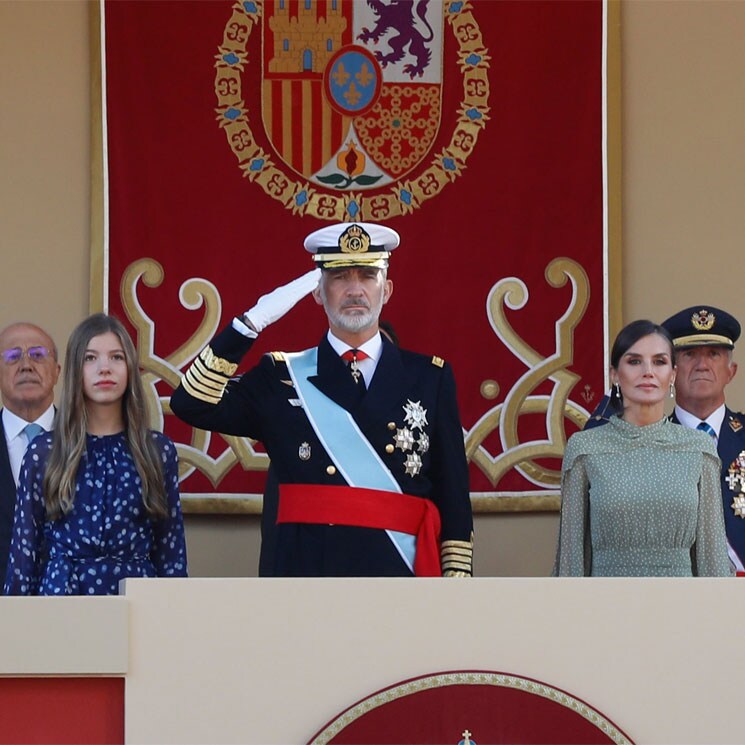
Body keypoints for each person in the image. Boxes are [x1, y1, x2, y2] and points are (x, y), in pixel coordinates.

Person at [171, 221, 473, 577]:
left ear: (386, 289)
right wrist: (249, 324)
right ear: (317, 291)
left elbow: (452, 489)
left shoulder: (429, 378)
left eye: (367, 276)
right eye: (341, 277)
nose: (355, 290)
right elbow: (191, 402)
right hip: (308, 573)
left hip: (399, 573)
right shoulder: (281, 377)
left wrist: (455, 575)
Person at [4, 314, 187, 595]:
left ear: (130, 368)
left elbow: (171, 553)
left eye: (116, 357)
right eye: (91, 358)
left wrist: (176, 619)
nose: (105, 368)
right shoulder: (45, 451)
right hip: (62, 603)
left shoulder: (157, 451)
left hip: (137, 601)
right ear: (76, 369)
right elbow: (23, 557)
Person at [554, 319, 732, 576]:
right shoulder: (585, 448)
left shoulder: (698, 448)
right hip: (605, 604)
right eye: (634, 361)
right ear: (614, 373)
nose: (647, 371)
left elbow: (711, 555)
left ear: (672, 374)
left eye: (659, 362)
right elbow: (572, 557)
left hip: (681, 604)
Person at [661, 305, 745, 573]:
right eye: (689, 354)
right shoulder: (652, 442)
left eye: (713, 354)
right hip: (675, 590)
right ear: (671, 372)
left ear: (731, 371)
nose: (702, 365)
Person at [0, 322, 60, 590]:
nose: (26, 365)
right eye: (12, 357)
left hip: (76, 611)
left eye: (37, 354)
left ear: (57, 371)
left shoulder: (88, 443)